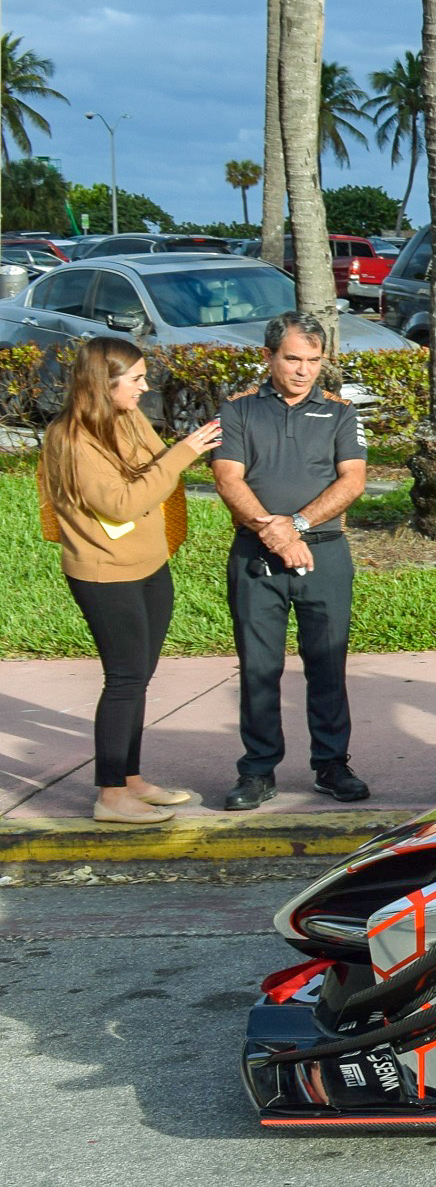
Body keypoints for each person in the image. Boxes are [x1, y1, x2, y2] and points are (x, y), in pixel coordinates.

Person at [37, 339, 225, 825]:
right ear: (105, 383)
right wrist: (181, 455)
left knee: (139, 677)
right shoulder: (71, 438)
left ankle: (131, 779)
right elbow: (119, 503)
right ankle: (110, 796)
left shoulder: (126, 417)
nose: (145, 386)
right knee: (123, 680)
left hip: (148, 565)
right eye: (136, 379)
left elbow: (155, 465)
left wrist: (183, 451)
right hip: (105, 574)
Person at [210, 312, 371, 811]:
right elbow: (228, 479)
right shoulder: (237, 412)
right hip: (256, 558)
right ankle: (257, 771)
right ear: (269, 356)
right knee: (260, 667)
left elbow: (353, 481)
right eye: (293, 359)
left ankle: (331, 764)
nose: (304, 370)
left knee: (327, 663)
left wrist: (295, 526)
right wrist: (273, 534)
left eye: (313, 361)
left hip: (324, 556)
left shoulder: (341, 413)